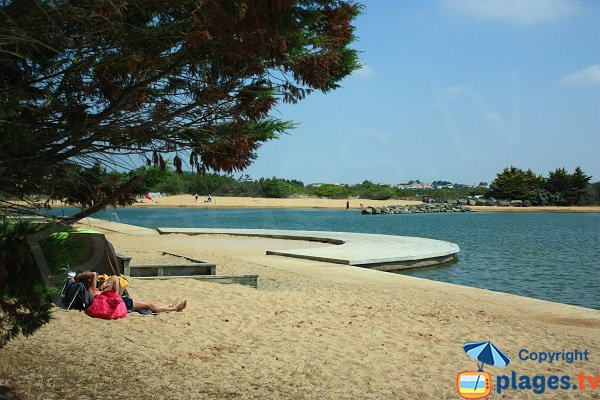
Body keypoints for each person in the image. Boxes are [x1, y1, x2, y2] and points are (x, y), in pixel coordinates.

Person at [75, 271, 186, 313]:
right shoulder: (91, 292)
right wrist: (79, 276)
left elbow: (114, 278)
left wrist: (102, 286)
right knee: (148, 305)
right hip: (118, 303)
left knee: (114, 278)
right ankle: (174, 308)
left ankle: (169, 306)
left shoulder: (95, 292)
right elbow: (93, 274)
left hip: (113, 300)